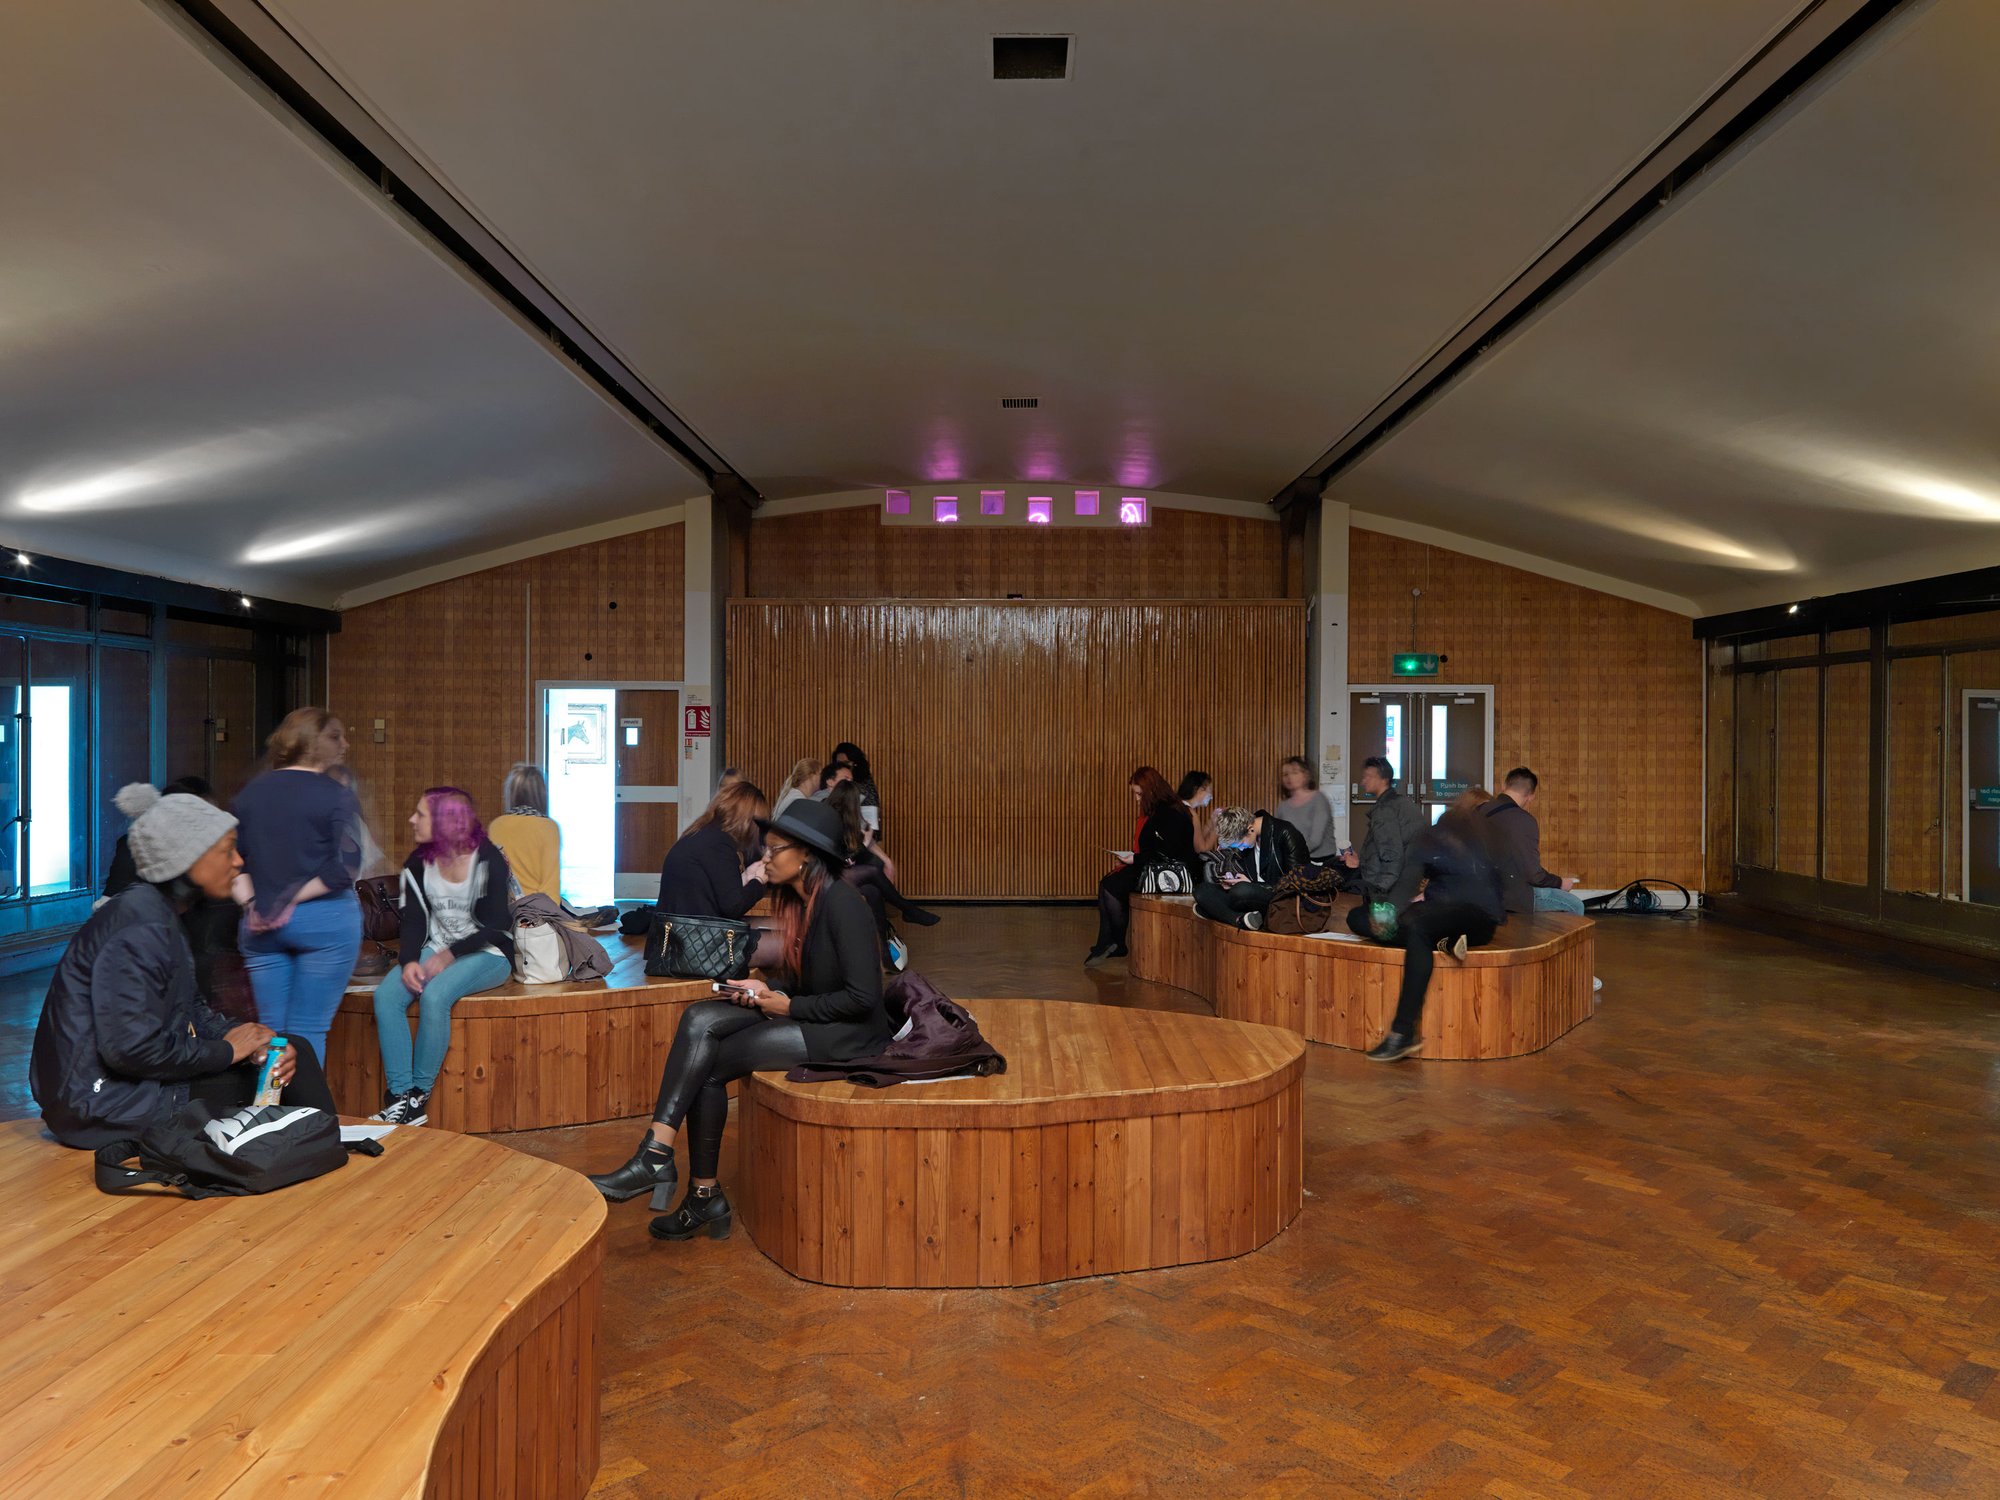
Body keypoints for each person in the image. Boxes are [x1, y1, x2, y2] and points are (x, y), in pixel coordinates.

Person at [587, 799, 889, 1240]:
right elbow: (813, 978)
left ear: (806, 855)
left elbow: (863, 998)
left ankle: (700, 1193)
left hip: (847, 1035)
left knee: (709, 1065)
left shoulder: (844, 904)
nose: (765, 858)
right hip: (813, 1013)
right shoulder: (804, 902)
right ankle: (657, 1152)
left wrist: (788, 1006)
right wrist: (766, 989)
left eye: (775, 849)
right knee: (698, 1017)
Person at [31, 784, 335, 1148]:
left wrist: (250, 1038)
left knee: (283, 1050)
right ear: (187, 859)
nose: (238, 861)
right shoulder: (139, 928)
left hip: (126, 1091)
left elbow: (191, 1013)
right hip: (100, 1106)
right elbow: (130, 1050)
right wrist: (227, 1051)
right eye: (226, 850)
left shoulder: (160, 915)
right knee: (288, 1077)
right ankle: (331, 1161)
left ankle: (323, 1156)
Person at [368, 788, 516, 1126]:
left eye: (420, 814)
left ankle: (417, 1097)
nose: (412, 820)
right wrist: (409, 961)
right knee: (387, 996)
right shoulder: (417, 863)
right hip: (438, 948)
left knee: (435, 997)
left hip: (490, 952)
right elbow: (413, 921)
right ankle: (400, 1099)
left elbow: (498, 925)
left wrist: (451, 954)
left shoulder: (488, 859)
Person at [230, 708, 364, 1063]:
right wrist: (289, 900)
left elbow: (232, 861)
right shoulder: (336, 794)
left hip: (259, 924)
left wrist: (252, 904)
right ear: (313, 743)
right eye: (336, 736)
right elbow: (345, 868)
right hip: (324, 922)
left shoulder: (249, 794)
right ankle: (307, 1101)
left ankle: (272, 1098)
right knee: (307, 1032)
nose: (345, 744)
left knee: (271, 1031)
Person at [1362, 790, 1507, 1062]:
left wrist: (1388, 913)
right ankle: (1447, 942)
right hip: (1484, 926)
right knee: (1418, 925)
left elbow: (1408, 882)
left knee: (1402, 926)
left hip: (1447, 915)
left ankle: (1403, 1033)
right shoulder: (1491, 836)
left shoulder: (1432, 836)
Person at [1087, 766, 1196, 965]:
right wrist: (1133, 858)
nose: (1137, 799)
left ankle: (1115, 942)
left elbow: (1168, 851)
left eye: (1139, 794)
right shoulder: (1164, 810)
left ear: (1151, 791)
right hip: (1157, 866)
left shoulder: (1170, 814)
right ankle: (1109, 941)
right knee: (1108, 883)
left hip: (1168, 873)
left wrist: (1134, 859)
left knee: (1111, 887)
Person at [655, 780, 769, 920]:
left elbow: (710, 889)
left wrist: (746, 877)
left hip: (673, 929)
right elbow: (733, 907)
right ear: (748, 821)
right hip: (693, 931)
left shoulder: (700, 833)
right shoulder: (719, 844)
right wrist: (759, 882)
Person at [1483, 767, 1586, 916]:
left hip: (1479, 892)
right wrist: (1560, 883)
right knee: (1575, 905)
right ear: (1531, 797)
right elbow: (1533, 875)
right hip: (1509, 896)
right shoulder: (1523, 820)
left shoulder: (1479, 811)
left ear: (1503, 786)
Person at [1194, 807, 1312, 929]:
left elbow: (1299, 883)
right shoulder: (1250, 839)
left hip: (1281, 899)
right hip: (1249, 897)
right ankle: (1240, 920)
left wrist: (1252, 884)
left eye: (1240, 844)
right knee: (1202, 890)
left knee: (1240, 891)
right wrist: (1232, 881)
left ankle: (1218, 912)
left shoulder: (1286, 833)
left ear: (1250, 829)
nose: (1240, 849)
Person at [1340, 756, 1425, 920]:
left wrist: (1379, 894)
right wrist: (1361, 862)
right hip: (1410, 879)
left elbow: (1392, 855)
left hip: (1394, 887)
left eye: (1369, 776)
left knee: (1357, 918)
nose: (1363, 781)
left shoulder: (1384, 810)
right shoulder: (1402, 803)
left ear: (1384, 779)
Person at [488, 763, 562, 901]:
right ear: (542, 794)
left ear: (511, 794)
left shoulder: (496, 826)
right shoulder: (549, 828)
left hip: (503, 907)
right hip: (536, 908)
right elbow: (551, 887)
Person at [1276, 756, 1339, 862]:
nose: (1289, 777)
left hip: (1320, 861)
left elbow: (1315, 840)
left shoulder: (1319, 799)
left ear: (1306, 775)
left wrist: (1291, 854)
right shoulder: (1283, 806)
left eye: (1295, 772)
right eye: (1285, 774)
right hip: (1294, 860)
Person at [1180, 771, 1218, 854]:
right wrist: (1217, 828)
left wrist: (1211, 822)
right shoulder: (1190, 814)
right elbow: (1201, 849)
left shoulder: (1179, 806)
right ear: (1200, 790)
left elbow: (1195, 840)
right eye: (1209, 791)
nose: (1211, 797)